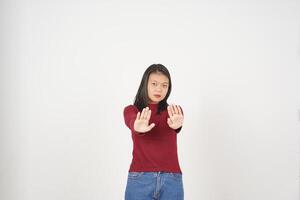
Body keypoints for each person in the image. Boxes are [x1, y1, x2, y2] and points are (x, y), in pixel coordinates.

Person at [123, 64, 184, 200]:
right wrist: (137, 126)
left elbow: (177, 123)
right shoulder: (132, 110)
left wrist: (178, 125)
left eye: (164, 85)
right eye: (154, 84)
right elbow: (131, 121)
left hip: (172, 180)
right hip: (140, 179)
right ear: (145, 84)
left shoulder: (174, 112)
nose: (159, 89)